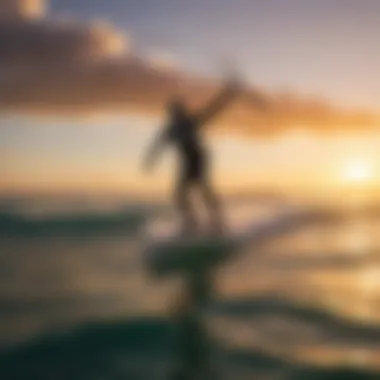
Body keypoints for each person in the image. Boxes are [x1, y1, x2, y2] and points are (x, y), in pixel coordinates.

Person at [142, 74, 241, 235]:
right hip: (187, 161)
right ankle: (191, 222)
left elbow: (214, 108)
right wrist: (150, 161)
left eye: (179, 111)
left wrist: (229, 93)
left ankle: (218, 222)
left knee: (202, 188)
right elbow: (157, 146)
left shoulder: (191, 121)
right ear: (171, 114)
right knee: (180, 193)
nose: (177, 115)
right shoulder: (171, 130)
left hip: (198, 157)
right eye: (174, 113)